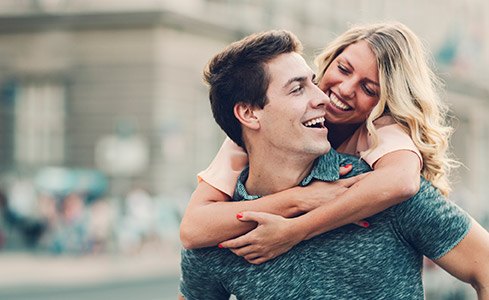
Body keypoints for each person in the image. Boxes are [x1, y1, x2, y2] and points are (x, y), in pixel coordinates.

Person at [179, 29, 489, 299]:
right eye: (300, 87)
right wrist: (300, 199)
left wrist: (295, 229)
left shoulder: (382, 185)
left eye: (369, 89)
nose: (331, 96)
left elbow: (403, 182)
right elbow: (193, 229)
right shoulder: (223, 222)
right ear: (248, 115)